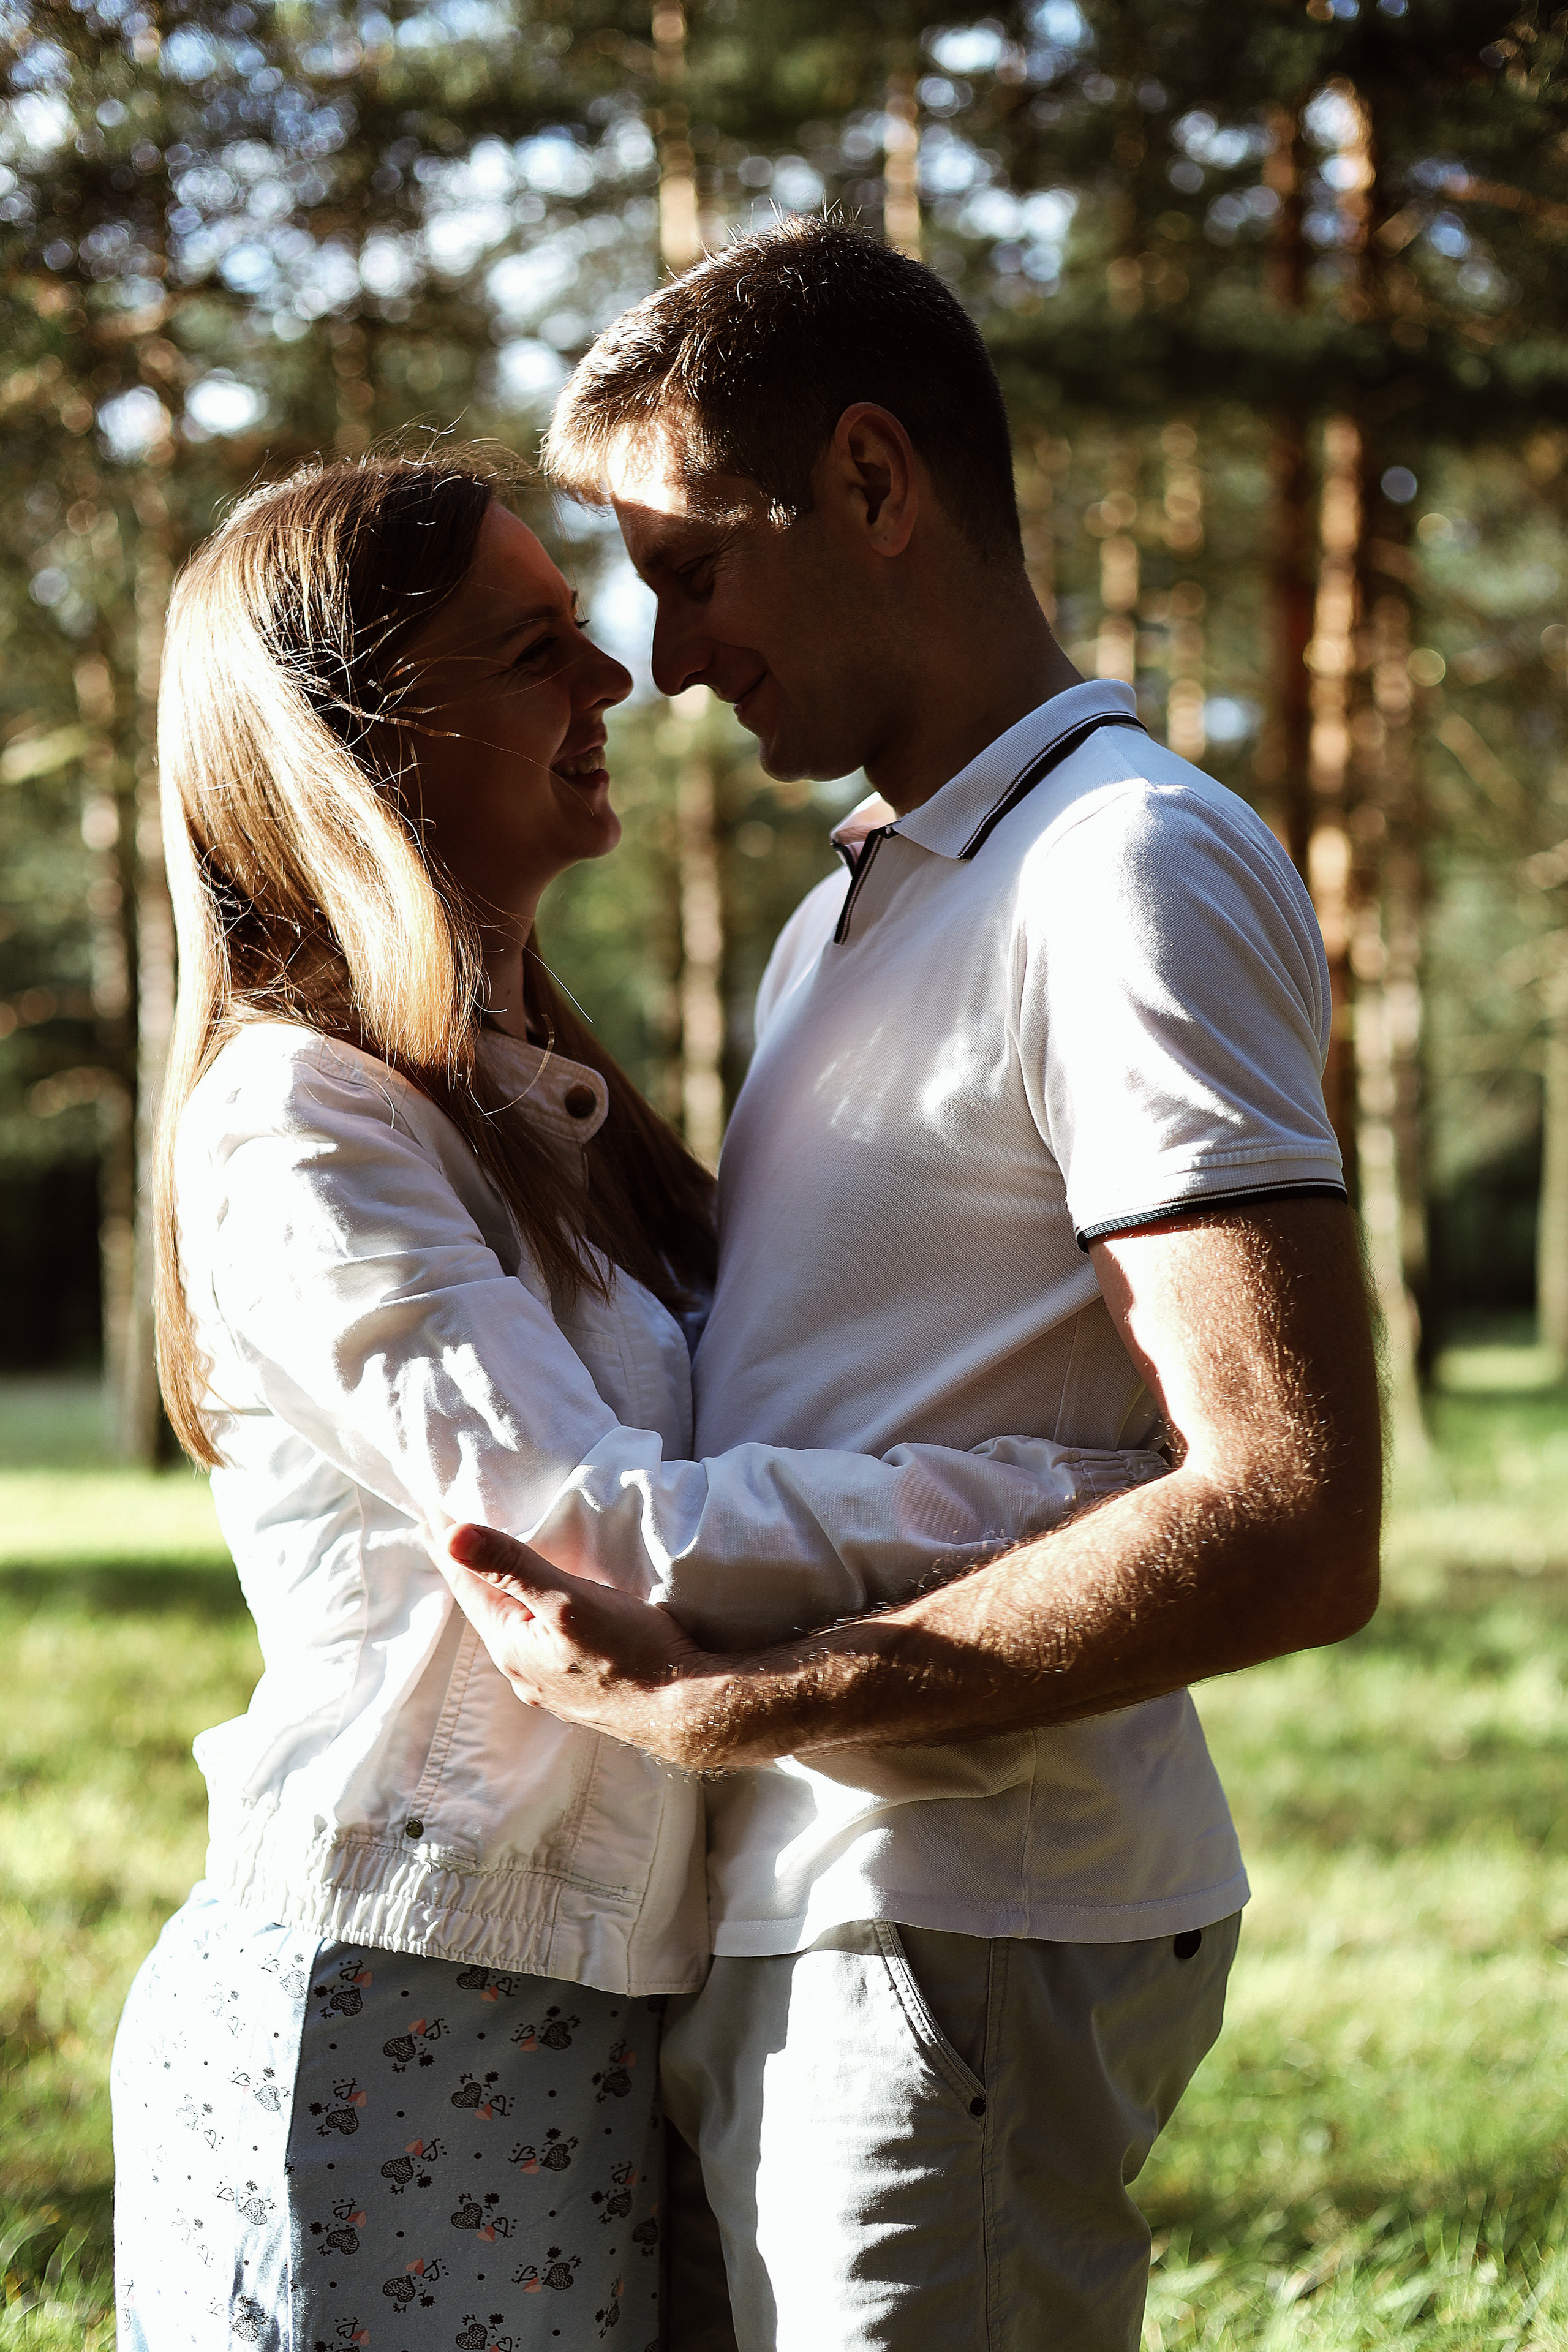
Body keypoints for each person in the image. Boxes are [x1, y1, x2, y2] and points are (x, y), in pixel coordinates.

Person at [437, 218, 1385, 2352]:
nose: (663, 663)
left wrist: (758, 1701)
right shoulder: (850, 909)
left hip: (959, 1920)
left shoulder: (1125, 868)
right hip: (809, 1910)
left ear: (873, 483)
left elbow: (1289, 1525)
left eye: (690, 568)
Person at [111, 447, 1169, 2352]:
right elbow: (580, 1532)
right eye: (536, 650)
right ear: (357, 741)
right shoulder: (303, 1118)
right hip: (394, 2001)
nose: (620, 684)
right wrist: (1075, 1504)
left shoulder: (547, 1118)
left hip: (596, 1995)